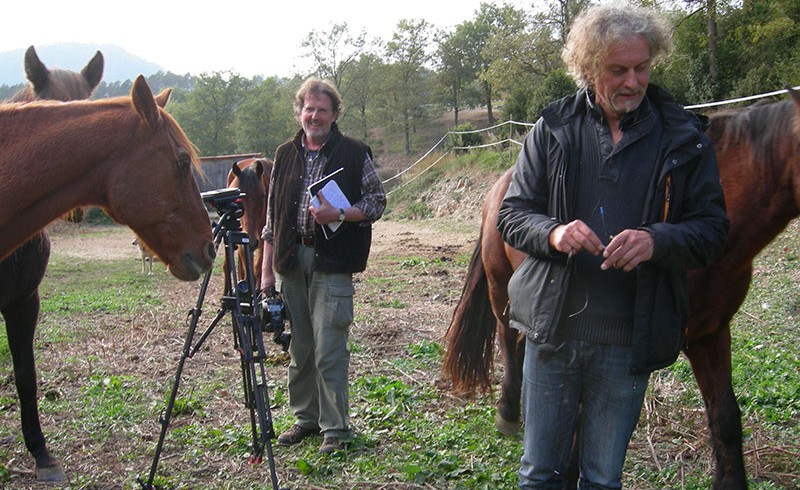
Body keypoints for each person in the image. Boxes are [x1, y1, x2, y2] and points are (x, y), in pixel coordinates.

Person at [496, 4, 729, 488]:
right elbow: (512, 216)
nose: (632, 81)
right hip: (554, 331)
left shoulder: (685, 138)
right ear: (587, 68)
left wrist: (657, 240)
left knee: (602, 478)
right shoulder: (553, 129)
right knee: (540, 474)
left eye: (641, 67)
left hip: (627, 338)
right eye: (617, 70)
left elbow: (712, 230)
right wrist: (554, 233)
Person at [260, 77, 386, 454]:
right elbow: (271, 218)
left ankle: (336, 428)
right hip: (289, 260)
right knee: (300, 346)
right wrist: (266, 271)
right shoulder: (284, 154)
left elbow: (377, 201)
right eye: (308, 108)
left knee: (329, 344)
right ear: (299, 111)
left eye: (322, 110)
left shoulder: (352, 152)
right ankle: (306, 419)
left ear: (335, 115)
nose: (314, 116)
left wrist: (341, 213)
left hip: (331, 261)